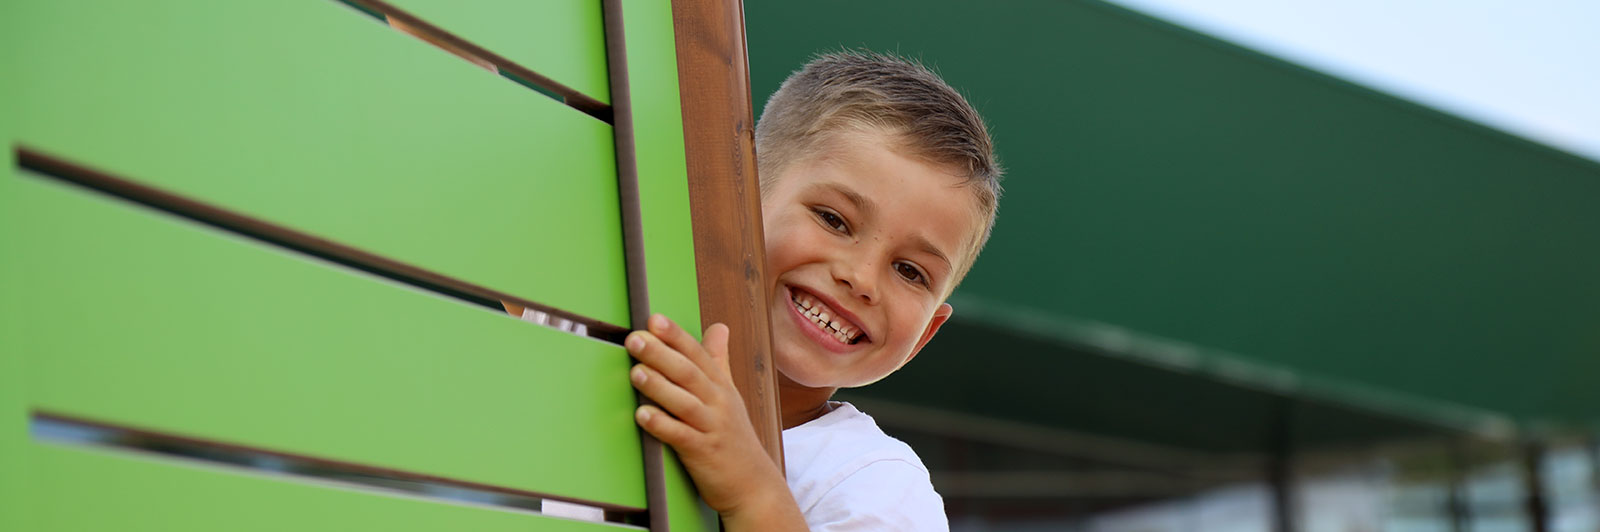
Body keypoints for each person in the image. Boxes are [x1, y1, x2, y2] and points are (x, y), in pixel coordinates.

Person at [624, 50, 1002, 531]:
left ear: (925, 335)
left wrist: (752, 492)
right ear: (734, 198)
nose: (861, 278)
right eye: (833, 220)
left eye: (910, 271)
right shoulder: (620, 333)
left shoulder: (877, 487)